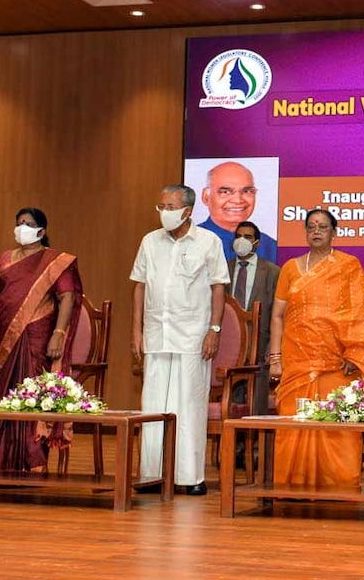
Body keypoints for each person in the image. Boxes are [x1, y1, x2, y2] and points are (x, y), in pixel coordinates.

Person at [268, 209, 364, 486]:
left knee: (338, 423)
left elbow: (362, 313)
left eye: (323, 226)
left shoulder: (349, 266)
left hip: (337, 363)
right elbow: (277, 315)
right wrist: (275, 357)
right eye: (311, 226)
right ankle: (292, 485)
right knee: (293, 420)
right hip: (297, 361)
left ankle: (339, 484)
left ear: (334, 232)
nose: (317, 231)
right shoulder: (290, 268)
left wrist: (354, 354)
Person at [131, 184, 229, 496]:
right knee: (153, 405)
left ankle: (189, 477)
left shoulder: (208, 241)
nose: (164, 212)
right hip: (157, 335)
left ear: (187, 211)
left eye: (170, 206)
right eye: (161, 206)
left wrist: (213, 330)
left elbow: (218, 287)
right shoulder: (149, 241)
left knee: (189, 406)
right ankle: (151, 474)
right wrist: (136, 331)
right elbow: (139, 286)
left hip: (193, 337)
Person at [0, 208, 83, 471]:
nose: (22, 228)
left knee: (30, 396)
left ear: (42, 231)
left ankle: (32, 461)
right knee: (2, 396)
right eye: (19, 223)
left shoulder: (55, 261)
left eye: (29, 224)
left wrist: (59, 333)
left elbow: (67, 297)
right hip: (2, 338)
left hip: (35, 338)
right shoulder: (5, 259)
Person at [227, 220, 281, 416]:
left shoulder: (272, 272)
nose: (241, 241)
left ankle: (256, 446)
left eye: (247, 237)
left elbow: (277, 313)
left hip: (260, 348)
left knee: (256, 406)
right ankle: (235, 446)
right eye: (238, 236)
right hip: (229, 350)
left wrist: (272, 350)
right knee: (231, 405)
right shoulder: (223, 269)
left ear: (256, 243)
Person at [198, 161, 278, 262]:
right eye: (225, 192)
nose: (238, 200)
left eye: (247, 191)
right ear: (206, 197)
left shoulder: (270, 247)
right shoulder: (191, 241)